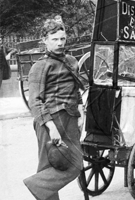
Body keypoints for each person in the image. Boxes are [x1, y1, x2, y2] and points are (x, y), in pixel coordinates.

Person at [23, 19, 84, 200]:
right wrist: (51, 127)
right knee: (48, 166)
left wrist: (81, 113)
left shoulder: (71, 61)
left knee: (75, 164)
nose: (59, 43)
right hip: (49, 120)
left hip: (70, 118)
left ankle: (36, 186)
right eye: (55, 39)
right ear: (45, 40)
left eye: (62, 39)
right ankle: (35, 184)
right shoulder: (39, 67)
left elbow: (75, 89)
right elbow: (35, 101)